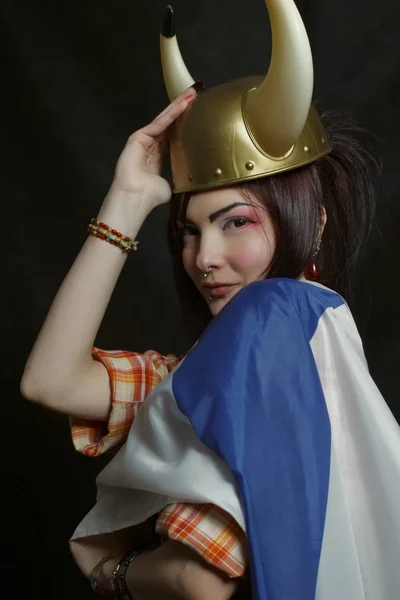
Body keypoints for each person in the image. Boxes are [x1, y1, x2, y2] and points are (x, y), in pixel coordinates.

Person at [20, 1, 400, 600]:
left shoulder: (276, 315)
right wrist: (127, 195)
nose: (203, 259)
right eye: (188, 232)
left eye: (237, 222)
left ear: (315, 222)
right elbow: (51, 383)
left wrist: (108, 569)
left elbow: (198, 580)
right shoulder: (198, 385)